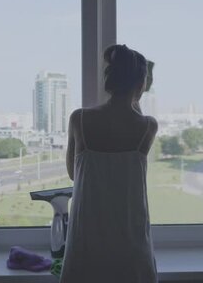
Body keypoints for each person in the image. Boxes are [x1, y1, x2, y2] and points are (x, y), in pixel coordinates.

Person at [60, 44, 158, 283]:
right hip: (131, 242)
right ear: (141, 83)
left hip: (86, 240)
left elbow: (74, 174)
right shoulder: (148, 126)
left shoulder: (79, 119)